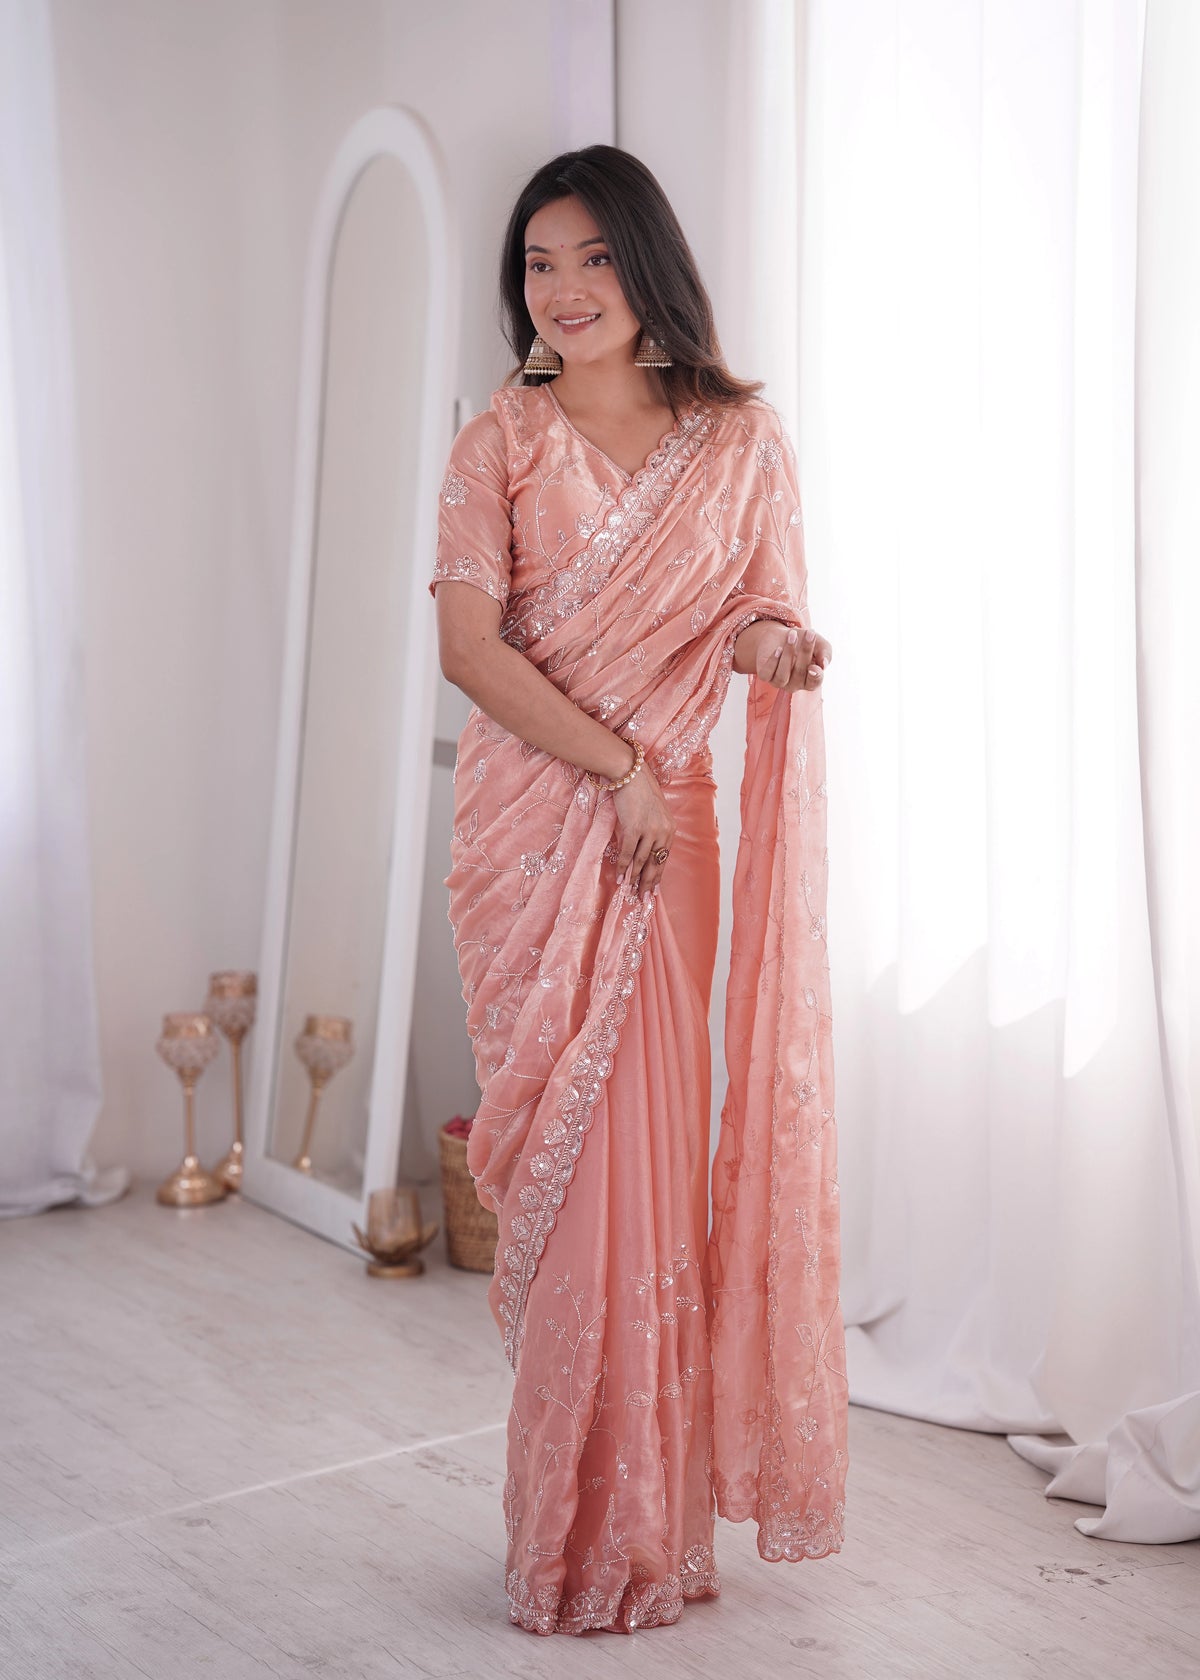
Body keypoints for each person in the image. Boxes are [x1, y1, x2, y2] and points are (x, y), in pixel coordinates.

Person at [431, 144, 847, 1637]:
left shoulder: (739, 443)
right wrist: (611, 767)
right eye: (540, 263)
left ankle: (649, 1533)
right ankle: (568, 1538)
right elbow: (468, 649)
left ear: (648, 263)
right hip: (542, 832)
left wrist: (777, 649)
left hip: (670, 834)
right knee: (572, 1180)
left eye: (595, 256)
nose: (565, 287)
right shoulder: (501, 439)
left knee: (650, 1169)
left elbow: (752, 611)